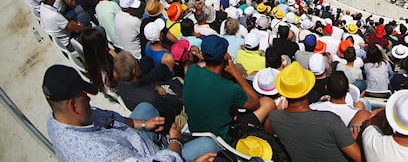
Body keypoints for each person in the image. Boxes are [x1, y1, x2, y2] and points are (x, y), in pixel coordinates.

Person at [43, 64, 216, 162]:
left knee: (145, 108)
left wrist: (142, 124)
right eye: (84, 97)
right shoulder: (102, 155)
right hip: (149, 157)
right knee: (209, 146)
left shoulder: (57, 119)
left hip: (131, 143)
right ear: (73, 106)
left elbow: (107, 118)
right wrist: (176, 142)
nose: (88, 100)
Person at [183, 34, 274, 142]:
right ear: (225, 56)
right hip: (223, 139)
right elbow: (255, 103)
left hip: (195, 132)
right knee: (268, 102)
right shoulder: (230, 88)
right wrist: (235, 73)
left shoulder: (191, 70)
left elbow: (202, 66)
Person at [265, 62, 362, 162]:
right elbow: (360, 158)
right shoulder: (329, 120)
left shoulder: (274, 118)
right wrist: (356, 141)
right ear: (308, 89)